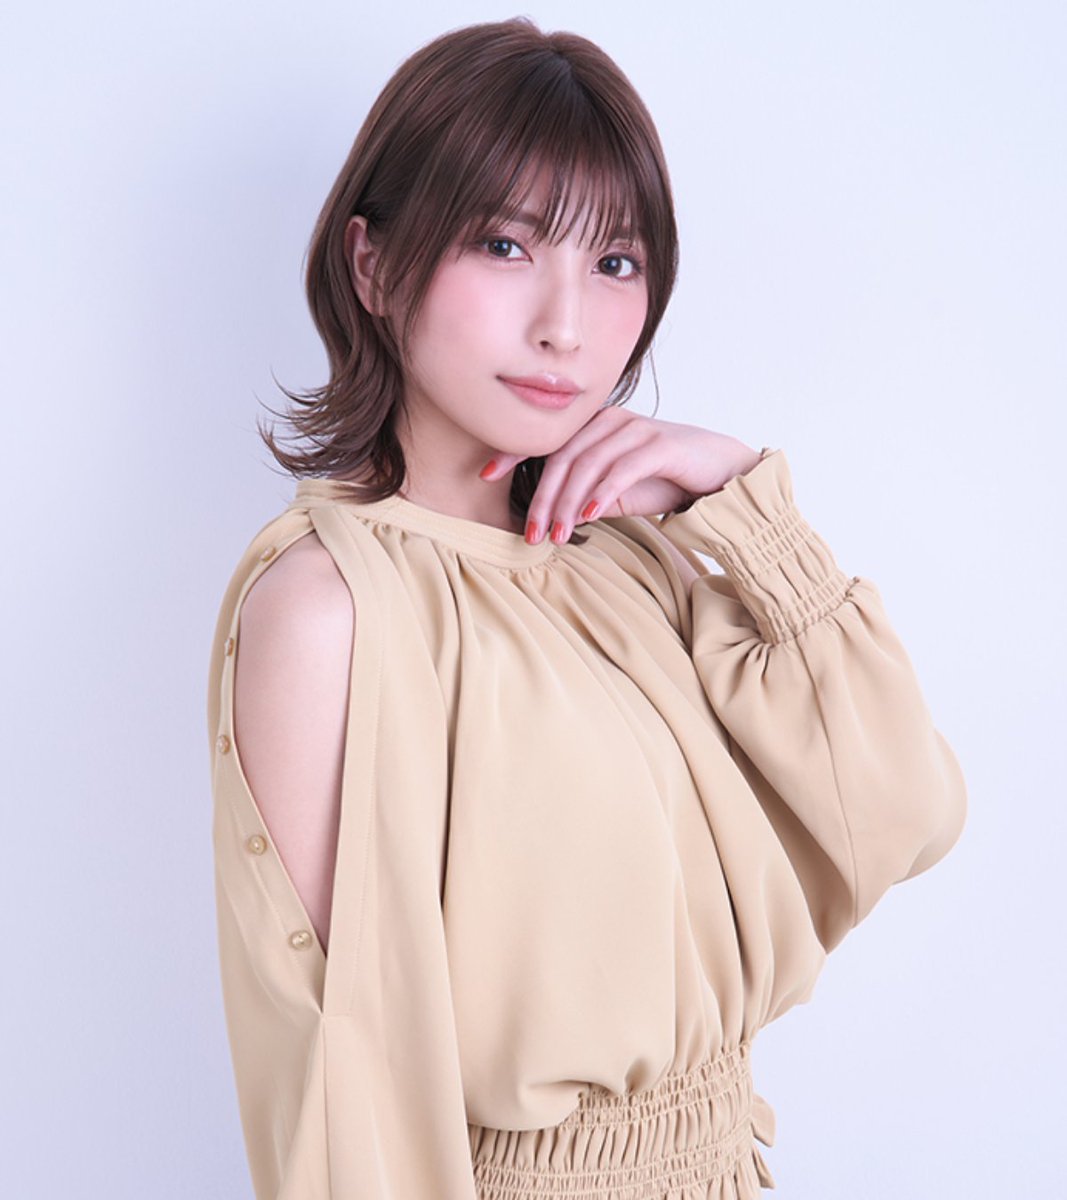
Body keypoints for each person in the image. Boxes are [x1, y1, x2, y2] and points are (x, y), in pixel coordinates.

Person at [205, 16, 967, 1200]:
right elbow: (346, 1079)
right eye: (505, 244)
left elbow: (902, 815)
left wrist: (740, 505)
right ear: (372, 265)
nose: (565, 325)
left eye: (613, 262)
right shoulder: (330, 608)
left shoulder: (631, 560)